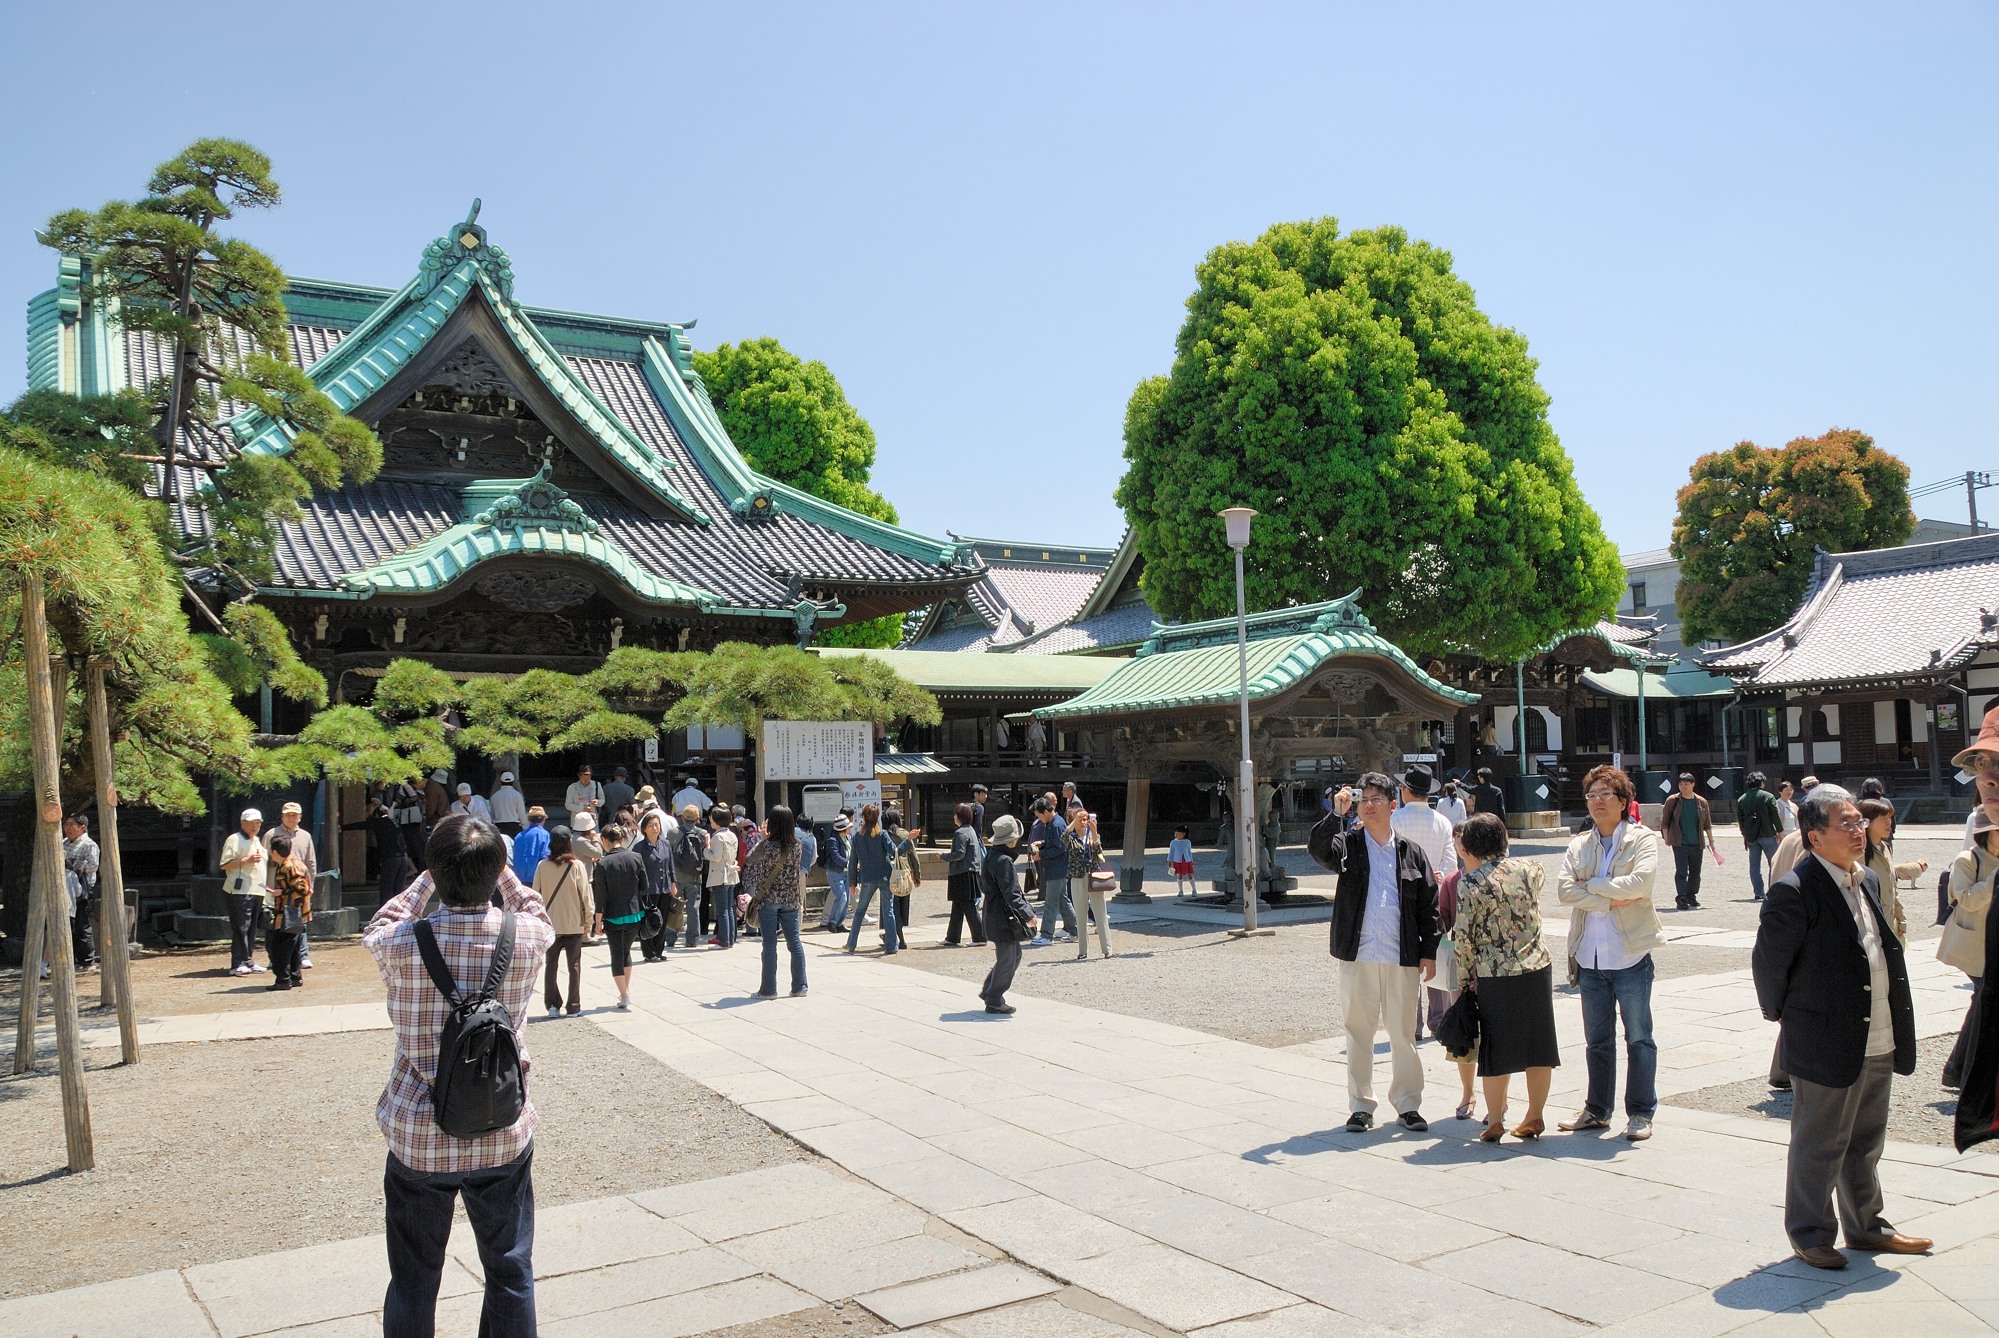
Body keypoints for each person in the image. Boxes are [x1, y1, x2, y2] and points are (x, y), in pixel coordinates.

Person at [363, 815, 554, 1335]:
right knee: (510, 1271)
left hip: (419, 1132)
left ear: (433, 870)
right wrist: (501, 872)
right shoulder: (526, 937)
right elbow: (535, 909)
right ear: (496, 871)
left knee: (413, 1280)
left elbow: (381, 921)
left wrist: (430, 874)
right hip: (501, 1126)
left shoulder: (402, 944)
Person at [1752, 784, 1926, 1270]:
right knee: (1819, 1142)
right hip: (1825, 1036)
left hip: (1878, 1030)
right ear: (1815, 837)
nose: (1857, 830)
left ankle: (1867, 1226)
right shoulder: (1795, 890)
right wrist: (1792, 1018)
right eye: (1845, 823)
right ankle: (1809, 1232)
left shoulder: (1863, 878)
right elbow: (1769, 966)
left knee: (1865, 1140)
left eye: (1858, 821)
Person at [1309, 773, 1441, 1134]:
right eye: (1363, 799)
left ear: (1393, 805)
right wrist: (1336, 815)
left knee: (1403, 1034)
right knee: (1358, 1031)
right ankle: (1360, 1105)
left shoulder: (1411, 851)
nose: (1368, 805)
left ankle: (1408, 1104)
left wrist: (1428, 951)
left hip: (1401, 954)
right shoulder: (1348, 844)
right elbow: (1319, 851)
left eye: (1376, 799)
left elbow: (1429, 905)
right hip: (1359, 954)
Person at [1557, 765, 1663, 1141]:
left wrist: (1591, 885)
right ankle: (1597, 1110)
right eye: (1591, 795)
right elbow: (1564, 891)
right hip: (1590, 956)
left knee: (1639, 1037)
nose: (1597, 801)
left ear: (1623, 801)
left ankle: (1641, 1113)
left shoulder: (1641, 839)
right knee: (1597, 1041)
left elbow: (1641, 883)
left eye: (1605, 794)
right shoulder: (1579, 844)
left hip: (1629, 954)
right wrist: (1609, 897)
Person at [1456, 813, 1560, 1142]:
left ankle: (1496, 1120)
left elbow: (1464, 937)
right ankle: (1535, 1115)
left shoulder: (1470, 883)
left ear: (1470, 846)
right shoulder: (1532, 869)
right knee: (1539, 1046)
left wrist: (1464, 977)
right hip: (1536, 966)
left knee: (1496, 1049)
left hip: (1494, 972)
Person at [1938, 812, 1995, 1090]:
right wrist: (1994, 879)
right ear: (1986, 833)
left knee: (1983, 1003)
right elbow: (1967, 899)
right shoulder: (1967, 859)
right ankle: (1958, 1069)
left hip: (1992, 942)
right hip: (1973, 944)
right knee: (1984, 1001)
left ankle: (1958, 1069)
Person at [1432, 826, 1477, 1122]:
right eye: (1457, 842)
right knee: (1463, 1031)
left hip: (1492, 967)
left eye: (1465, 842)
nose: (1461, 847)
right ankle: (1467, 1092)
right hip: (1460, 965)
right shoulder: (1452, 880)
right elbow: (1443, 922)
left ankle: (1498, 1099)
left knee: (1495, 1032)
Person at [745, 805, 810, 998]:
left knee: (769, 944)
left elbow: (749, 860)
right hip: (791, 898)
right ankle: (800, 986)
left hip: (769, 898)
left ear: (771, 823)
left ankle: (768, 989)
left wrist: (762, 838)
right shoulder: (798, 845)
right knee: (794, 942)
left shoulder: (766, 845)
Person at [978, 815, 1036, 1014]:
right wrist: (1028, 914)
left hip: (993, 912)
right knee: (1008, 958)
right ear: (1011, 840)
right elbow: (1011, 894)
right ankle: (994, 998)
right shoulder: (1004, 861)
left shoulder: (990, 856)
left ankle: (989, 991)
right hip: (1003, 916)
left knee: (1012, 955)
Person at [536, 828, 590, 1017]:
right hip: (573, 922)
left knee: (551, 965)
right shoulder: (577, 866)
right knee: (574, 965)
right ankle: (574, 1005)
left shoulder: (542, 866)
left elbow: (535, 895)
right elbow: (586, 896)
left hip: (550, 924)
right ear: (569, 843)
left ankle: (552, 1004)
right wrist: (589, 920)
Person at [592, 823, 646, 1009]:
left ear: (604, 840)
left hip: (613, 915)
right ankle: (626, 990)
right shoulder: (636, 857)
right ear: (622, 839)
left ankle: (624, 994)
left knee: (616, 955)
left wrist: (597, 921)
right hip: (634, 913)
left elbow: (600, 896)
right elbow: (644, 885)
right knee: (626, 952)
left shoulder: (603, 864)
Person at [263, 801, 320, 969]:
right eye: (288, 815)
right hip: (275, 888)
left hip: (298, 888)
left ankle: (302, 956)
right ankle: (274, 957)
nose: (291, 818)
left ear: (300, 817)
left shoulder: (305, 836)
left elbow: (311, 862)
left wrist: (310, 884)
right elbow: (263, 860)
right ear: (282, 816)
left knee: (299, 922)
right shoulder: (271, 835)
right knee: (274, 924)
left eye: (294, 815)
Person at [1859, 799, 1924, 945]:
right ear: (1867, 822)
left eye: (1890, 817)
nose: (1889, 822)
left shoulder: (1885, 848)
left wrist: (1901, 919)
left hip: (1890, 924)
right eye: (1883, 818)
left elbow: (1892, 888)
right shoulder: (1859, 853)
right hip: (1869, 929)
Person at [844, 804, 900, 956]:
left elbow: (853, 861)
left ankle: (851, 943)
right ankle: (891, 945)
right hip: (884, 875)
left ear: (863, 818)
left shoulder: (857, 837)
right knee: (888, 911)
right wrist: (908, 841)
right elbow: (894, 852)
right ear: (877, 818)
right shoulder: (882, 834)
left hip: (867, 877)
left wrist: (852, 882)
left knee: (860, 911)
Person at [220, 808, 268, 975]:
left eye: (258, 823)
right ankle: (237, 963)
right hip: (239, 891)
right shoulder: (234, 839)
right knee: (241, 928)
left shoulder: (257, 840)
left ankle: (248, 961)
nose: (255, 826)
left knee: (252, 928)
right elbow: (224, 864)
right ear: (242, 823)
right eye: (251, 823)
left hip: (257, 890)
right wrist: (245, 860)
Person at [1391, 766, 1458, 884]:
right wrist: (1438, 876)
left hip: (1403, 886)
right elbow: (1451, 863)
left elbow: (1389, 858)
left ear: (1406, 790)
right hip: (1434, 887)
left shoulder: (1395, 818)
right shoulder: (1443, 822)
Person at [1658, 773, 1714, 911]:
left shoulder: (1701, 802)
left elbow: (1707, 824)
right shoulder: (1673, 800)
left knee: (1695, 872)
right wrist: (1667, 838)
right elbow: (1665, 822)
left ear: (1693, 784)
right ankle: (1681, 897)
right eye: (1681, 784)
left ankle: (1691, 895)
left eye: (1686, 783)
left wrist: (1711, 841)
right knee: (1682, 871)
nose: (1683, 786)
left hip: (1697, 842)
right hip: (1679, 842)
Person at [263, 831, 312, 990]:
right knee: (293, 948)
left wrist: (281, 893)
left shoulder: (290, 866)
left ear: (275, 852)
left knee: (281, 948)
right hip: (294, 912)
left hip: (289, 913)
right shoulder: (292, 864)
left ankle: (283, 980)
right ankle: (294, 977)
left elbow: (302, 888)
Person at [1066, 810, 1115, 960]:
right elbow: (1063, 837)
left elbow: (1099, 853)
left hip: (1094, 877)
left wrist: (1094, 832)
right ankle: (1082, 950)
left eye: (1085, 819)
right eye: (1080, 820)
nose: (1083, 822)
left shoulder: (1093, 836)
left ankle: (1107, 949)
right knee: (1080, 915)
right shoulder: (1072, 838)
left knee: (1100, 913)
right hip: (1077, 878)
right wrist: (1074, 821)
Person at [345, 798, 413, 903]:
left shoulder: (379, 822)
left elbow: (361, 825)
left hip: (391, 858)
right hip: (403, 857)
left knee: (386, 889)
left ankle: (384, 911)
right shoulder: (394, 822)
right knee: (399, 889)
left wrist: (342, 827)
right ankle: (399, 910)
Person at [1028, 797, 1075, 946]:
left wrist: (1041, 854)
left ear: (1046, 812)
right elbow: (1056, 843)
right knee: (1063, 901)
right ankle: (1075, 930)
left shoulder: (1056, 825)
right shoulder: (1054, 823)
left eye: (1039, 815)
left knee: (1051, 903)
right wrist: (1042, 843)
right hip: (1058, 869)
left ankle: (1047, 935)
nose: (1038, 818)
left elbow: (1060, 849)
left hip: (1057, 869)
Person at [944, 803, 988, 947]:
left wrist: (944, 856)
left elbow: (959, 853)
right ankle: (952, 937)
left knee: (968, 906)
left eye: (955, 814)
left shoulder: (960, 833)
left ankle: (980, 937)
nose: (954, 817)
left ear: (960, 817)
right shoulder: (971, 830)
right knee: (958, 906)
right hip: (970, 872)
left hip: (962, 873)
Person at [635, 809, 676, 962]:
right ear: (644, 829)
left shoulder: (665, 844)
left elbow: (670, 865)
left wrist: (673, 883)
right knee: (649, 920)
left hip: (664, 887)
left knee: (662, 921)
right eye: (651, 825)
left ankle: (659, 950)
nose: (655, 828)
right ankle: (648, 952)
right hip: (648, 889)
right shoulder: (639, 848)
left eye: (657, 825)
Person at [61, 812, 101, 970]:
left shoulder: (89, 845)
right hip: (66, 887)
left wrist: (73, 864)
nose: (67, 828)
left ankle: (87, 960)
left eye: (71, 825)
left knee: (81, 924)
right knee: (68, 923)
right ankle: (71, 958)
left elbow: (92, 866)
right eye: (66, 824)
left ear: (82, 827)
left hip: (82, 888)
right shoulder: (64, 842)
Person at [1738, 772, 1785, 902]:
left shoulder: (1742, 799)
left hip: (1752, 836)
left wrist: (1745, 834)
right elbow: (1774, 814)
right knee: (1774, 863)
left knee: (1754, 866)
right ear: (1762, 782)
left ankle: (1758, 892)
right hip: (1767, 833)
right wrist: (1780, 830)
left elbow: (1740, 820)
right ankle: (1774, 890)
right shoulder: (1768, 796)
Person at [674, 805, 710, 947]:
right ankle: (692, 939)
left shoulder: (672, 832)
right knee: (693, 907)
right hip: (695, 875)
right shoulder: (703, 833)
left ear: (682, 818)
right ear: (697, 819)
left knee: (674, 906)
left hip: (677, 875)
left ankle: (670, 937)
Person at [705, 805, 741, 948]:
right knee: (730, 908)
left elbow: (716, 857)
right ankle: (730, 938)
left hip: (721, 875)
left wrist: (706, 849)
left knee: (722, 910)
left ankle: (725, 940)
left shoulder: (718, 837)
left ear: (716, 820)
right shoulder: (732, 834)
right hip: (731, 874)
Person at [885, 810, 921, 949]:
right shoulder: (905, 834)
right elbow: (914, 856)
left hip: (890, 874)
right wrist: (917, 875)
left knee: (891, 908)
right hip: (905, 873)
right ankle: (894, 936)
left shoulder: (884, 835)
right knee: (901, 907)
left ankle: (898, 938)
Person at [819, 813, 852, 934]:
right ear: (843, 829)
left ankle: (839, 923)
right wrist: (848, 863)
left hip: (846, 872)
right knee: (842, 897)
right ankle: (832, 922)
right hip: (835, 872)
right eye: (848, 827)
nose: (850, 828)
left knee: (847, 899)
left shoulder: (848, 838)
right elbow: (835, 856)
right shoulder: (832, 840)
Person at [511, 806, 550, 886]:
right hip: (537, 878)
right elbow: (545, 856)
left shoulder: (519, 836)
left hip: (519, 879)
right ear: (543, 820)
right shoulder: (545, 835)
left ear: (529, 820)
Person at [488, 771, 528, 836]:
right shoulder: (517, 795)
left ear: (501, 782)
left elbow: (491, 815)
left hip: (499, 827)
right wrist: (525, 828)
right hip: (514, 828)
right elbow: (522, 814)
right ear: (513, 782)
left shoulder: (494, 796)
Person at [1168, 825, 1196, 897]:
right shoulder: (1173, 842)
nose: (1176, 835)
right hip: (1177, 861)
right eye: (1175, 834)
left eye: (1178, 834)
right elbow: (1171, 853)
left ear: (1183, 834)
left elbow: (1189, 852)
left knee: (1190, 875)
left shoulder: (1187, 842)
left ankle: (1194, 890)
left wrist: (1191, 861)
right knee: (1179, 875)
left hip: (1187, 861)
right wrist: (1169, 862)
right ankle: (1181, 891)